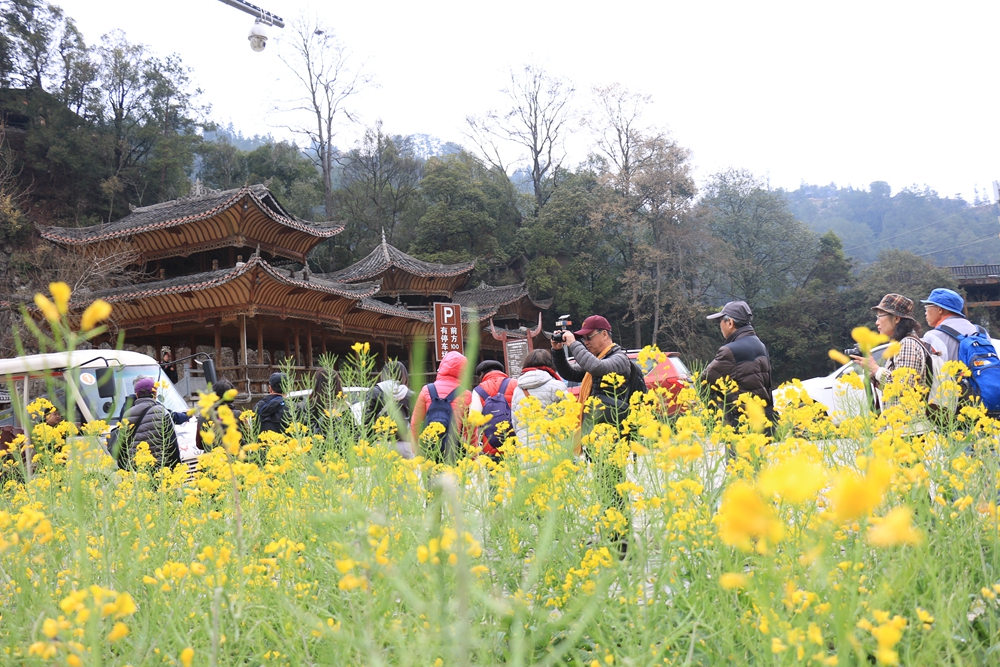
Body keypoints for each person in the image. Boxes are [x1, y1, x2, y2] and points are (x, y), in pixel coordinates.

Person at [550, 314, 635, 557]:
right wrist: (558, 350)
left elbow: (595, 368)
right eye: (582, 338)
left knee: (614, 488)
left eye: (589, 337)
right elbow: (570, 371)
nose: (585, 341)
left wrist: (572, 343)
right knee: (605, 488)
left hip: (611, 436)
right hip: (597, 435)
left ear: (605, 334)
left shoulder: (618, 359)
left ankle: (622, 545)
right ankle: (613, 539)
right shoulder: (597, 359)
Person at [704, 301, 775, 430]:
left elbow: (704, 380)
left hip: (743, 424)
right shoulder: (760, 345)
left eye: (720, 321)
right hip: (765, 421)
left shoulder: (729, 351)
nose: (719, 326)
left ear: (730, 323)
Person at [852, 293, 927, 407]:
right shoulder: (901, 344)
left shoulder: (907, 344)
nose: (877, 322)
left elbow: (904, 388)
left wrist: (876, 369)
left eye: (880, 316)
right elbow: (892, 389)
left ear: (896, 318)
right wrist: (873, 372)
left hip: (910, 422)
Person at [410, 351, 472, 462]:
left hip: (429, 449)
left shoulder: (427, 390)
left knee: (431, 478)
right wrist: (472, 456)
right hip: (454, 451)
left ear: (442, 366)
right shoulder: (466, 394)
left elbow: (415, 423)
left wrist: (416, 449)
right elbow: (470, 429)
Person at [114, 377, 181, 469]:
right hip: (160, 467)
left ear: (136, 394)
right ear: (155, 394)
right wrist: (175, 467)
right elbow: (172, 442)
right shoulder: (162, 412)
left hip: (137, 468)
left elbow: (122, 444)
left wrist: (125, 468)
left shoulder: (127, 414)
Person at [511, 349, 568, 448]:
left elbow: (515, 422)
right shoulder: (557, 386)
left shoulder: (517, 390)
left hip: (526, 448)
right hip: (554, 447)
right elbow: (569, 416)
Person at [363, 360, 415, 458]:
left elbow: (366, 420)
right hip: (405, 445)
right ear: (404, 375)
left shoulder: (374, 392)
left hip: (381, 444)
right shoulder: (410, 395)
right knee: (406, 473)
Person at [469, 359, 518, 458]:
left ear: (482, 374)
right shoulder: (515, 384)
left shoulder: (479, 390)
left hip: (491, 446)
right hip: (516, 444)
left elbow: (474, 420)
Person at [921, 288, 978, 362]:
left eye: (927, 308)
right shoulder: (981, 331)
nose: (926, 313)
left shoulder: (932, 336)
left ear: (940, 310)